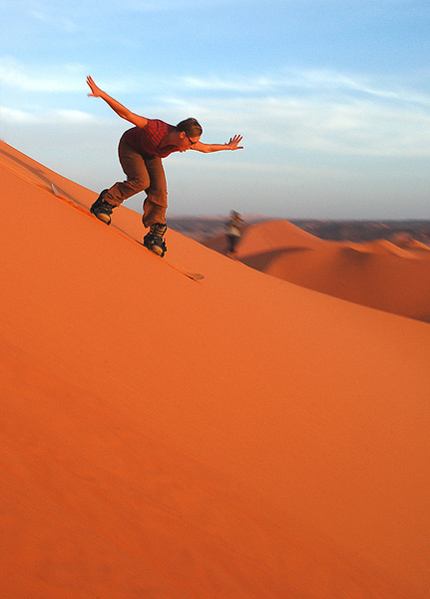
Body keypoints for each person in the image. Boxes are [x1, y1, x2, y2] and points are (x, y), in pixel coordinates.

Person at [86, 76, 243, 256]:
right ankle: (105, 203)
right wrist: (102, 94)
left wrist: (227, 147)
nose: (192, 146)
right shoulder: (155, 128)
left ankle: (155, 233)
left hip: (151, 155)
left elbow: (206, 149)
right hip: (131, 146)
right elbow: (126, 114)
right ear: (182, 135)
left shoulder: (181, 142)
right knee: (141, 181)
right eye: (192, 142)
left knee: (160, 191)